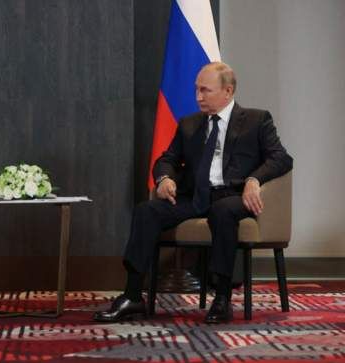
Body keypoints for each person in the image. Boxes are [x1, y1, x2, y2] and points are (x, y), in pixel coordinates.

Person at [94, 62, 293, 324]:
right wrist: (164, 178)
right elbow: (166, 160)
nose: (198, 96)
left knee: (222, 211)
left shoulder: (257, 120)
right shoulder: (189, 124)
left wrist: (254, 180)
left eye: (205, 90)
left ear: (228, 91)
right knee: (146, 211)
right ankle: (132, 296)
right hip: (195, 197)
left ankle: (222, 298)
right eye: (196, 90)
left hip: (232, 197)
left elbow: (281, 158)